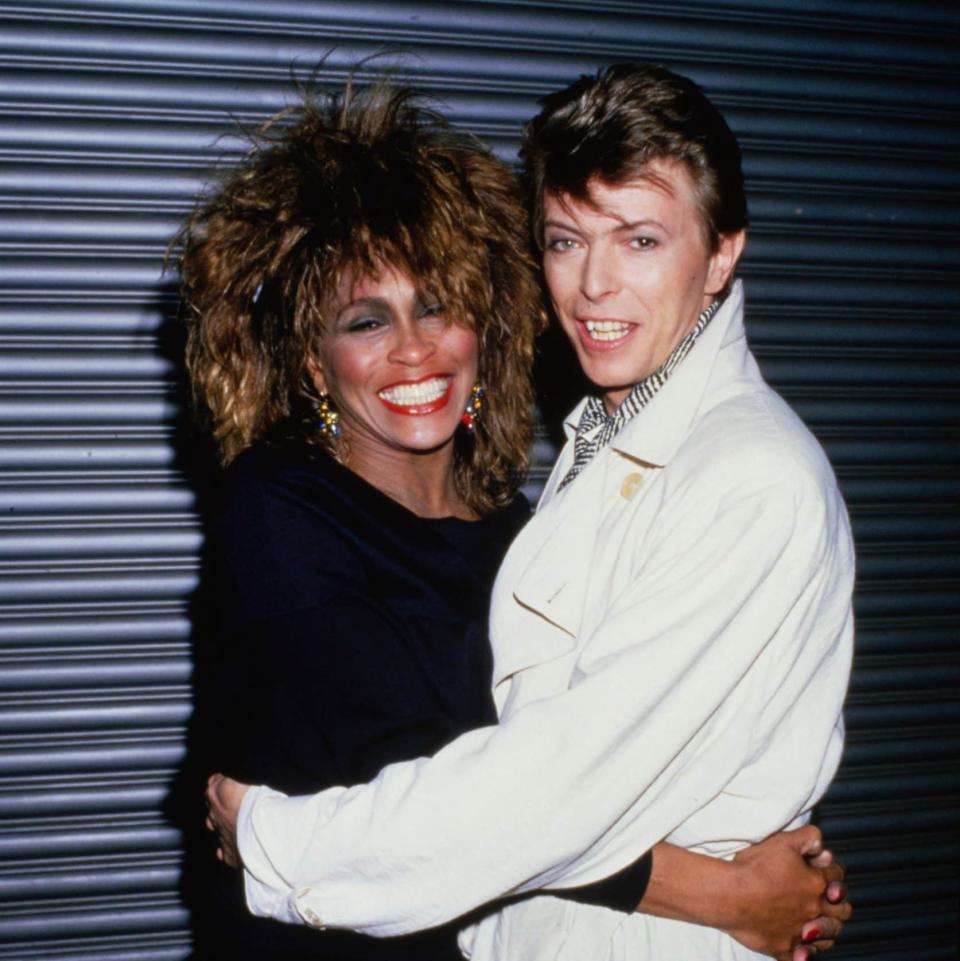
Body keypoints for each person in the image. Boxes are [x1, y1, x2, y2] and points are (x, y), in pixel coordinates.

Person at [197, 71, 852, 961]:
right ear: (313, 363)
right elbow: (512, 793)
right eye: (565, 241)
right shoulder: (282, 512)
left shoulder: (575, 511)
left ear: (723, 253)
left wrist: (274, 842)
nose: (594, 285)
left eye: (642, 239)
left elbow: (539, 789)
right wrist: (726, 891)